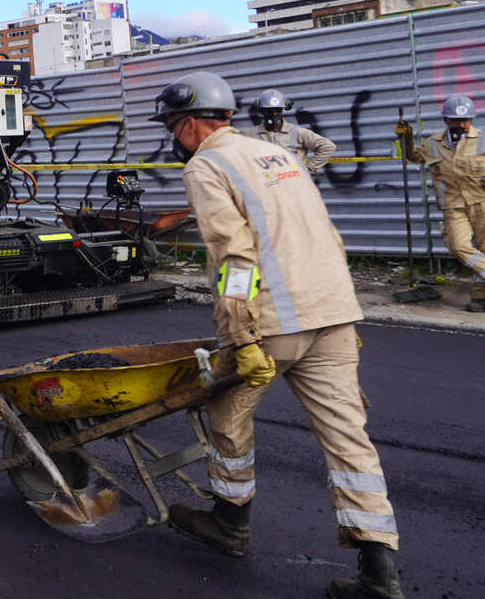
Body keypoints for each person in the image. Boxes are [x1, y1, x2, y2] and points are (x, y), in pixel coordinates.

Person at [152, 71, 402, 599]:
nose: (173, 139)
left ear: (191, 123)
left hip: (276, 320)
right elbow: (324, 230)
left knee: (226, 412)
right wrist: (341, 307)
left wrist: (238, 332)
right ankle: (379, 570)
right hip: (333, 310)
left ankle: (229, 521)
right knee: (348, 437)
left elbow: (233, 255)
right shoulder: (281, 156)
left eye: (173, 128)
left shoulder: (208, 165)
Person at [397, 94, 485, 312]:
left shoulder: (482, 138)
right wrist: (406, 137)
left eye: (466, 121)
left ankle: (481, 298)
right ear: (446, 120)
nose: (462, 125)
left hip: (481, 201)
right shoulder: (433, 143)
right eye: (456, 120)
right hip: (453, 205)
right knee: (458, 246)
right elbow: (413, 157)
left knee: (483, 250)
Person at [246, 89, 336, 173]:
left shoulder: (298, 133)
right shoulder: (249, 135)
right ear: (261, 111)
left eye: (277, 110)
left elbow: (328, 147)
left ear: (283, 109)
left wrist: (307, 168)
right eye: (269, 111)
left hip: (294, 186)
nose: (274, 114)